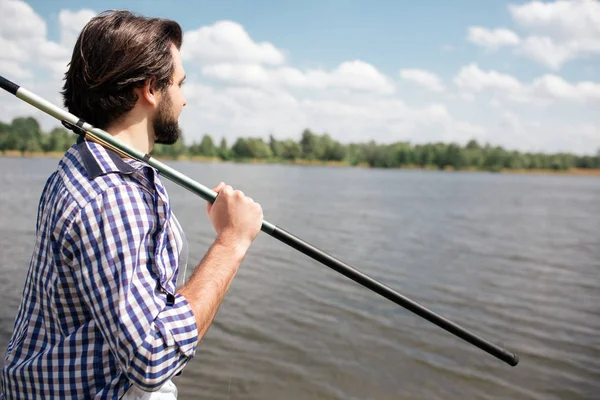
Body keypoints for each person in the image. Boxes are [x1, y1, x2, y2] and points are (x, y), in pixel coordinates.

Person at [0, 10, 263, 399]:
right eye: (180, 84)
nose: (185, 100)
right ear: (151, 89)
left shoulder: (91, 164)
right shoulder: (111, 195)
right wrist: (232, 241)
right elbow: (152, 357)